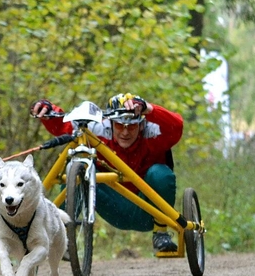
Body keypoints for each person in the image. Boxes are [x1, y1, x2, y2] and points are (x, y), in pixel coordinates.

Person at [30, 94, 183, 253]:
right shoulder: (97, 130)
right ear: (110, 122)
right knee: (75, 166)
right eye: (119, 125)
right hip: (112, 204)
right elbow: (63, 126)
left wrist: (150, 108)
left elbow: (177, 126)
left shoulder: (153, 133)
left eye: (131, 126)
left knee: (160, 173)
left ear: (142, 125)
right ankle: (63, 233)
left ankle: (161, 232)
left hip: (149, 210)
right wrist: (47, 109)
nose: (125, 132)